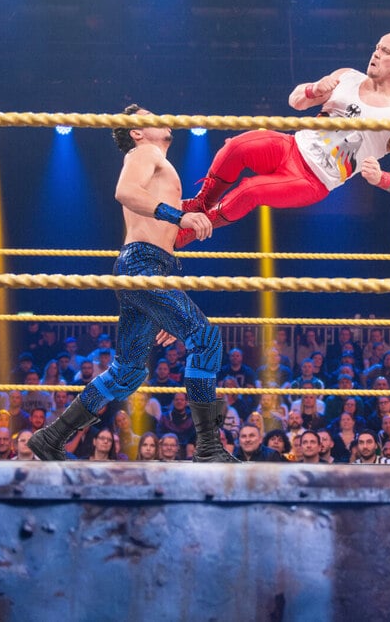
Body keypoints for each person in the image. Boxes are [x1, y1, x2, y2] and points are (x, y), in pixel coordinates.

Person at [27, 104, 236, 464]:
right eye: (148, 116)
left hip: (149, 266)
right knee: (205, 337)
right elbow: (125, 191)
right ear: (136, 131)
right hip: (142, 265)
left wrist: (171, 295)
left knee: (128, 372)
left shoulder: (159, 162)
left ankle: (51, 437)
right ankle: (208, 447)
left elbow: (159, 235)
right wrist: (180, 216)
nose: (161, 117)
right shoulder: (144, 152)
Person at [175, 33, 390, 248]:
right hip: (291, 146)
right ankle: (200, 203)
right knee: (237, 146)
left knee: (250, 190)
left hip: (313, 180)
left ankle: (190, 232)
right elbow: (296, 101)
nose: (376, 53)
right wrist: (315, 89)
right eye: (377, 47)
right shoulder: (347, 77)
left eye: (386, 51)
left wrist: (381, 178)